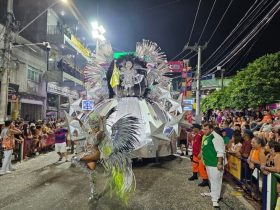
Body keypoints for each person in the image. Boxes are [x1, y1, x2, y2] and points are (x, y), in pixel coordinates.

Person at [201, 123, 225, 208]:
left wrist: (219, 163)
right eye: (203, 129)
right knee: (212, 180)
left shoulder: (216, 138)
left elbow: (220, 152)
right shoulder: (208, 136)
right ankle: (213, 193)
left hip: (215, 164)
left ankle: (215, 199)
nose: (204, 131)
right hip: (209, 163)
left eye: (206, 129)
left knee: (216, 181)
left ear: (211, 129)